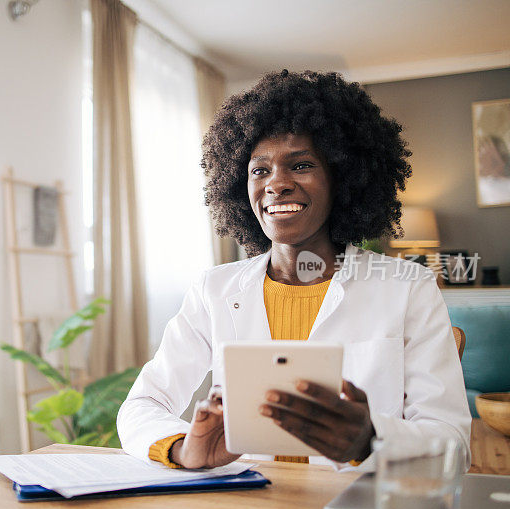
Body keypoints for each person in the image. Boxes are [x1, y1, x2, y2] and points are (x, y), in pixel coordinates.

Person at [116, 70, 471, 471]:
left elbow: (452, 444)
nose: (276, 184)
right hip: (245, 506)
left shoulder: (409, 289)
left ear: (344, 180)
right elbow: (143, 404)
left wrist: (372, 439)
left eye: (301, 165)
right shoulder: (214, 289)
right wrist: (183, 448)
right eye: (259, 169)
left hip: (356, 507)